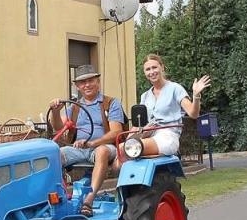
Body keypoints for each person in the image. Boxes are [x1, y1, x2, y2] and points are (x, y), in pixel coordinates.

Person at [84, 54, 211, 211]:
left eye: (154, 67)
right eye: (148, 69)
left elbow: (193, 113)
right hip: (149, 133)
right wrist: (130, 134)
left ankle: (110, 195)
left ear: (162, 67)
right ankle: (124, 198)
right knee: (119, 154)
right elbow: (141, 123)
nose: (152, 72)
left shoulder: (175, 89)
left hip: (167, 135)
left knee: (128, 149)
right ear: (145, 72)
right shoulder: (145, 96)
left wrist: (196, 95)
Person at [46, 66, 125, 170]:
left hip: (103, 147)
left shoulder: (110, 103)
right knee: (52, 155)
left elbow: (116, 132)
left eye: (91, 81)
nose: (87, 85)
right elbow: (58, 128)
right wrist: (55, 111)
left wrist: (92, 143)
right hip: (78, 150)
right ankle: (57, 185)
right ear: (77, 86)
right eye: (83, 82)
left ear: (98, 82)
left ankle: (94, 187)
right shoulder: (74, 107)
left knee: (102, 152)